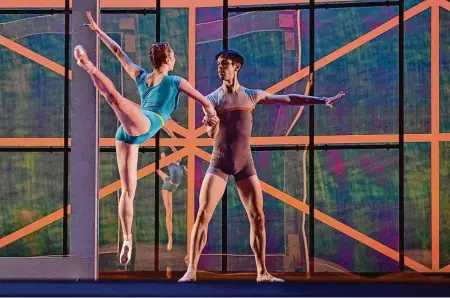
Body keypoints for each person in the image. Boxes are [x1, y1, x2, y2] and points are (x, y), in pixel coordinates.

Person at [179, 49, 345, 282]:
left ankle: (262, 272)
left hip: (245, 164)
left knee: (258, 217)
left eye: (224, 64)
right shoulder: (212, 99)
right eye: (218, 64)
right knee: (203, 215)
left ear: (236, 67)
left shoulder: (252, 95)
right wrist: (211, 124)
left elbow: (289, 99)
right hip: (219, 163)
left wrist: (321, 100)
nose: (220, 67)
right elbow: (210, 134)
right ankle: (191, 271)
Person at [74, 11, 218, 266]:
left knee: (116, 102)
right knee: (127, 190)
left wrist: (98, 31)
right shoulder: (171, 79)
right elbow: (206, 102)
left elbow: (119, 53)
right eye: (173, 55)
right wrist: (210, 115)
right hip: (140, 125)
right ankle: (127, 238)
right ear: (169, 58)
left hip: (135, 128)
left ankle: (90, 67)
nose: (175, 58)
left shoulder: (153, 77)